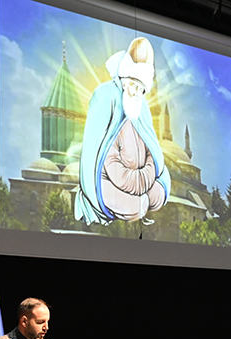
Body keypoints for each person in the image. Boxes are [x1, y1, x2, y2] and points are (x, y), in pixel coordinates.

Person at [73, 36, 171, 226]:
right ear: (124, 79)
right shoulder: (105, 96)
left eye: (141, 89)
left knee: (158, 195)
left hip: (142, 178)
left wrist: (146, 175)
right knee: (138, 206)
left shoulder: (141, 107)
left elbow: (152, 150)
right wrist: (141, 180)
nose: (136, 93)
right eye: (133, 85)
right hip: (110, 180)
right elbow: (110, 163)